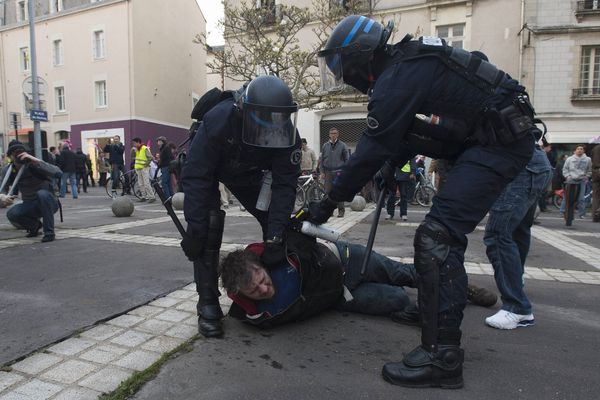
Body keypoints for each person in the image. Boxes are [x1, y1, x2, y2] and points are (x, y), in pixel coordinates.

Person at [312, 15, 539, 388]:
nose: (341, 74)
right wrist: (389, 165)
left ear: (359, 58)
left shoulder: (398, 77)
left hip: (498, 144)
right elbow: (406, 134)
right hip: (486, 142)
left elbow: (373, 145)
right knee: (438, 238)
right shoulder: (407, 66)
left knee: (437, 238)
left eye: (341, 65)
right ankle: (433, 312)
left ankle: (443, 357)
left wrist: (327, 204)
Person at [180, 75, 302, 338]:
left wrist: (275, 236)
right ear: (244, 112)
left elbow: (284, 186)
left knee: (279, 229)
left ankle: (283, 282)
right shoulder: (219, 120)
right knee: (207, 228)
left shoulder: (288, 134)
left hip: (251, 175)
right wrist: (195, 227)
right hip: (214, 169)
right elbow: (197, 176)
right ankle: (208, 302)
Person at [222, 229, 417, 327]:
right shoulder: (259, 314)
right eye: (255, 291)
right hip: (342, 295)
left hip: (346, 259)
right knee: (399, 300)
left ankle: (443, 288)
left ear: (263, 266)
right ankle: (429, 305)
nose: (264, 289)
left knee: (401, 273)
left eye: (263, 280)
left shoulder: (281, 253)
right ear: (245, 296)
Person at [483, 141, 551, 329]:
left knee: (497, 235)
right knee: (517, 230)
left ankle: (517, 308)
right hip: (534, 164)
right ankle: (515, 279)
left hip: (519, 168)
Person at [0, 141, 60, 242]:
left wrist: (36, 161)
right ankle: (35, 226)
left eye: (21, 154)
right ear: (10, 157)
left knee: (42, 194)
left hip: (49, 202)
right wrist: (3, 197)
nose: (18, 158)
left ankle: (49, 232)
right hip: (30, 204)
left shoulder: (34, 165)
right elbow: (3, 188)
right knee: (12, 213)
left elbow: (58, 173)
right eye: (15, 155)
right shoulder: (8, 170)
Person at [319, 127, 349, 217]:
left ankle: (341, 211)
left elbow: (347, 160)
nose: (333, 135)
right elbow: (322, 160)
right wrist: (322, 172)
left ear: (338, 134)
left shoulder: (343, 145)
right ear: (329, 135)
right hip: (328, 172)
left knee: (339, 191)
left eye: (335, 133)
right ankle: (330, 211)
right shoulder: (325, 146)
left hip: (338, 172)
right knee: (328, 192)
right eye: (332, 133)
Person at [560, 144, 592, 219]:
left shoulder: (588, 159)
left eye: (581, 149)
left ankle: (582, 213)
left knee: (581, 198)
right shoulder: (569, 159)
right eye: (578, 149)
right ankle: (562, 211)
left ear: (584, 151)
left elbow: (589, 170)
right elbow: (565, 169)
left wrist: (586, 177)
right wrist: (567, 176)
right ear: (575, 150)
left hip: (582, 180)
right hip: (571, 180)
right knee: (567, 197)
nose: (579, 150)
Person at [132, 137, 155, 202]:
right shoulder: (136, 149)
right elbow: (133, 157)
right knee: (140, 183)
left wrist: (146, 164)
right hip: (138, 168)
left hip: (144, 168)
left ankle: (151, 197)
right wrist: (133, 151)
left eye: (134, 143)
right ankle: (143, 196)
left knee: (146, 183)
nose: (133, 144)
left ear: (138, 142)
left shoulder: (144, 148)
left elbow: (150, 157)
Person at [591, 143, 600, 222]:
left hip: (595, 174)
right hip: (598, 172)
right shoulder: (598, 148)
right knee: (597, 196)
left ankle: (595, 215)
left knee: (596, 196)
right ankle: (596, 214)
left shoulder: (595, 148)